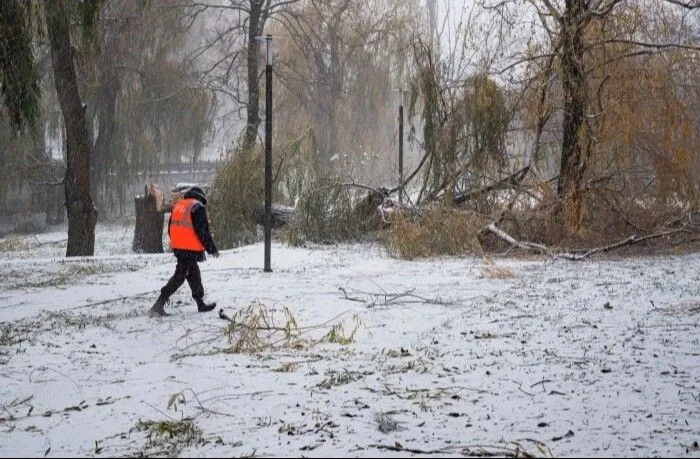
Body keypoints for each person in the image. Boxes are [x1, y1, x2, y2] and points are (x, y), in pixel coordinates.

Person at [149, 186, 220, 317]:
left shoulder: (178, 206)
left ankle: (200, 303)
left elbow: (171, 228)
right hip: (189, 249)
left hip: (179, 248)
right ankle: (158, 304)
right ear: (200, 197)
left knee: (194, 274)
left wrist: (177, 244)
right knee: (180, 277)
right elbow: (202, 231)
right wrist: (212, 249)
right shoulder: (197, 207)